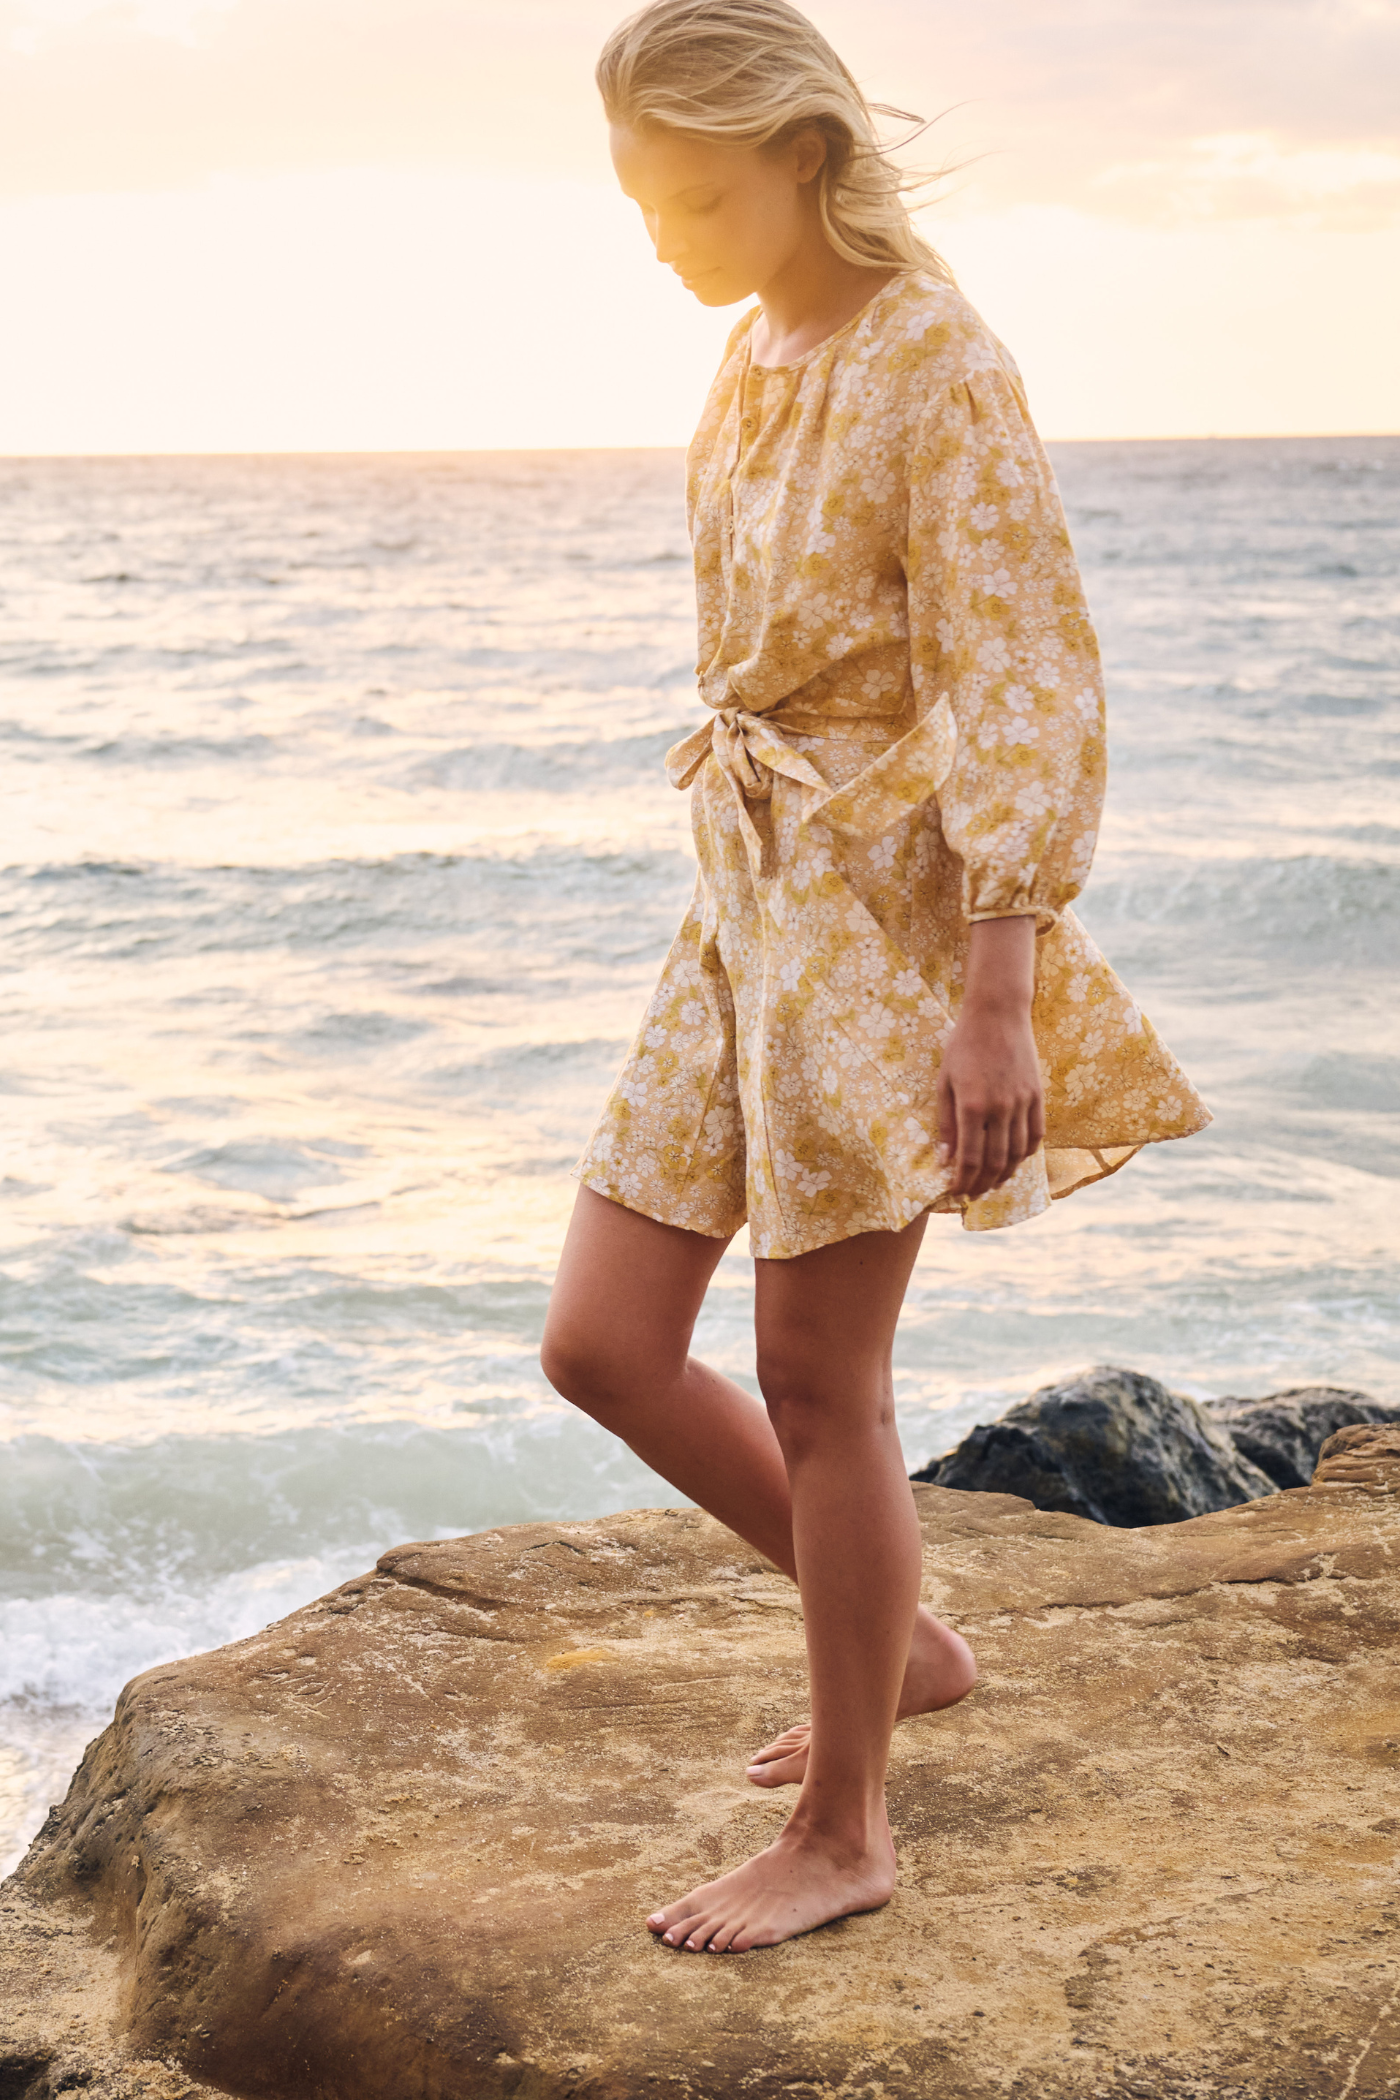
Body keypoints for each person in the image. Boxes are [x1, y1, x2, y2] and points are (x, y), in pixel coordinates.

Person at [540, 0, 1209, 1955]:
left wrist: (994, 988)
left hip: (890, 926)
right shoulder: (753, 352)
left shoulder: (938, 361)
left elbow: (1021, 678)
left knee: (819, 1376)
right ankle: (900, 1636)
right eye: (641, 198)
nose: (662, 234)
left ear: (803, 158)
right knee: (601, 1340)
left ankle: (847, 1827)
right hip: (743, 901)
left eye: (693, 194)